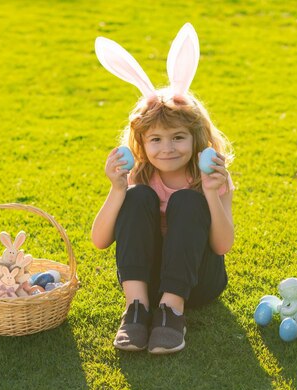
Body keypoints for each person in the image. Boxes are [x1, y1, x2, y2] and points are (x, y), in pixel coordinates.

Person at [91, 23, 235, 354]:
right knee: (138, 195)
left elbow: (222, 245)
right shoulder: (138, 177)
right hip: (147, 281)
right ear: (141, 142)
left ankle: (172, 312)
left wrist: (212, 194)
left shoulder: (210, 178)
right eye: (155, 139)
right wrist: (117, 189)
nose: (167, 148)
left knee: (187, 201)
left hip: (198, 283)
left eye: (178, 138)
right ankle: (137, 310)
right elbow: (100, 240)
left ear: (196, 138)